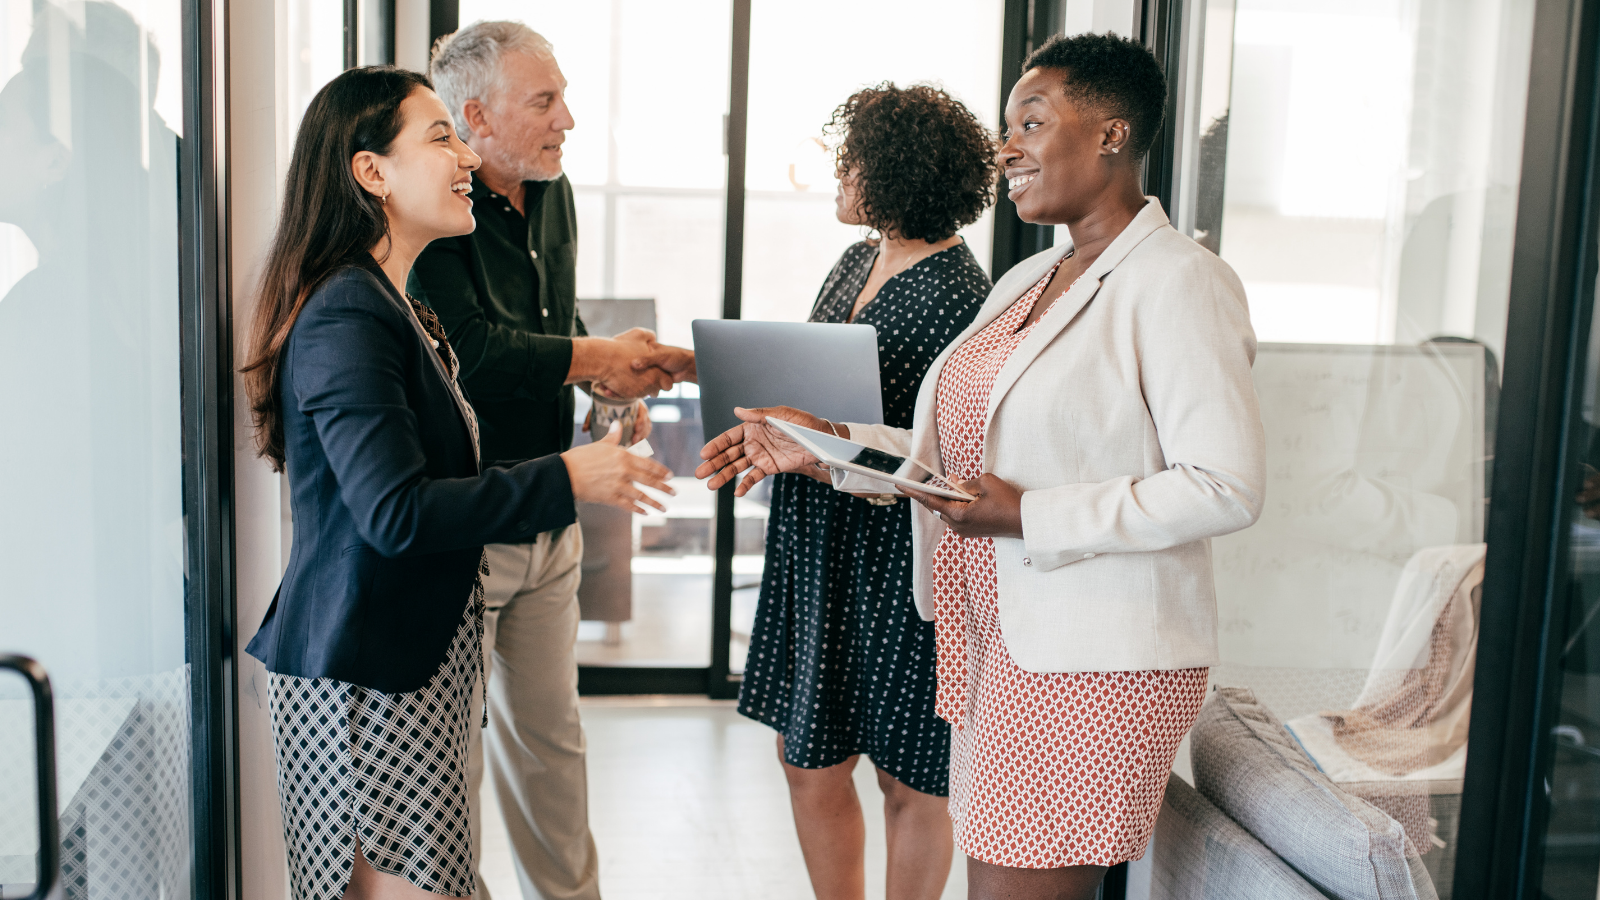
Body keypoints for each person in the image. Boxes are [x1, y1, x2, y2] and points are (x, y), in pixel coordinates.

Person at [698, 33, 1265, 900]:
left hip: (1092, 662)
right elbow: (948, 465)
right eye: (1007, 126)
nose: (1007, 149)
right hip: (995, 645)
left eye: (1031, 122)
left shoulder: (1180, 280)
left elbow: (1225, 484)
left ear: (1112, 134)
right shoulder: (1028, 281)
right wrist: (822, 444)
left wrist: (1027, 515)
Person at [240, 67, 673, 900]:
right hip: (363, 678)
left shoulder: (395, 303)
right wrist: (567, 475)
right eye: (440, 135)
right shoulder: (347, 312)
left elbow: (434, 479)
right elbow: (395, 513)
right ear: (372, 172)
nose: (466, 154)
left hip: (405, 664)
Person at [408, 21, 694, 900]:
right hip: (469, 522)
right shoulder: (433, 206)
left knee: (551, 745)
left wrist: (607, 386)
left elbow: (551, 330)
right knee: (446, 764)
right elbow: (475, 351)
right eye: (545, 101)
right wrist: (597, 355)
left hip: (550, 515)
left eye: (563, 96)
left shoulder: (551, 190)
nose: (567, 119)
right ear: (475, 118)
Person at [727, 83, 995, 900]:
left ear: (897, 172)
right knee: (806, 755)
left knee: (911, 772)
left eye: (852, 159)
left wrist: (822, 447)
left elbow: (947, 455)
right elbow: (829, 391)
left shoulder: (963, 296)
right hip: (816, 537)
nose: (839, 173)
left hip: (897, 548)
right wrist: (775, 434)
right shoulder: (855, 259)